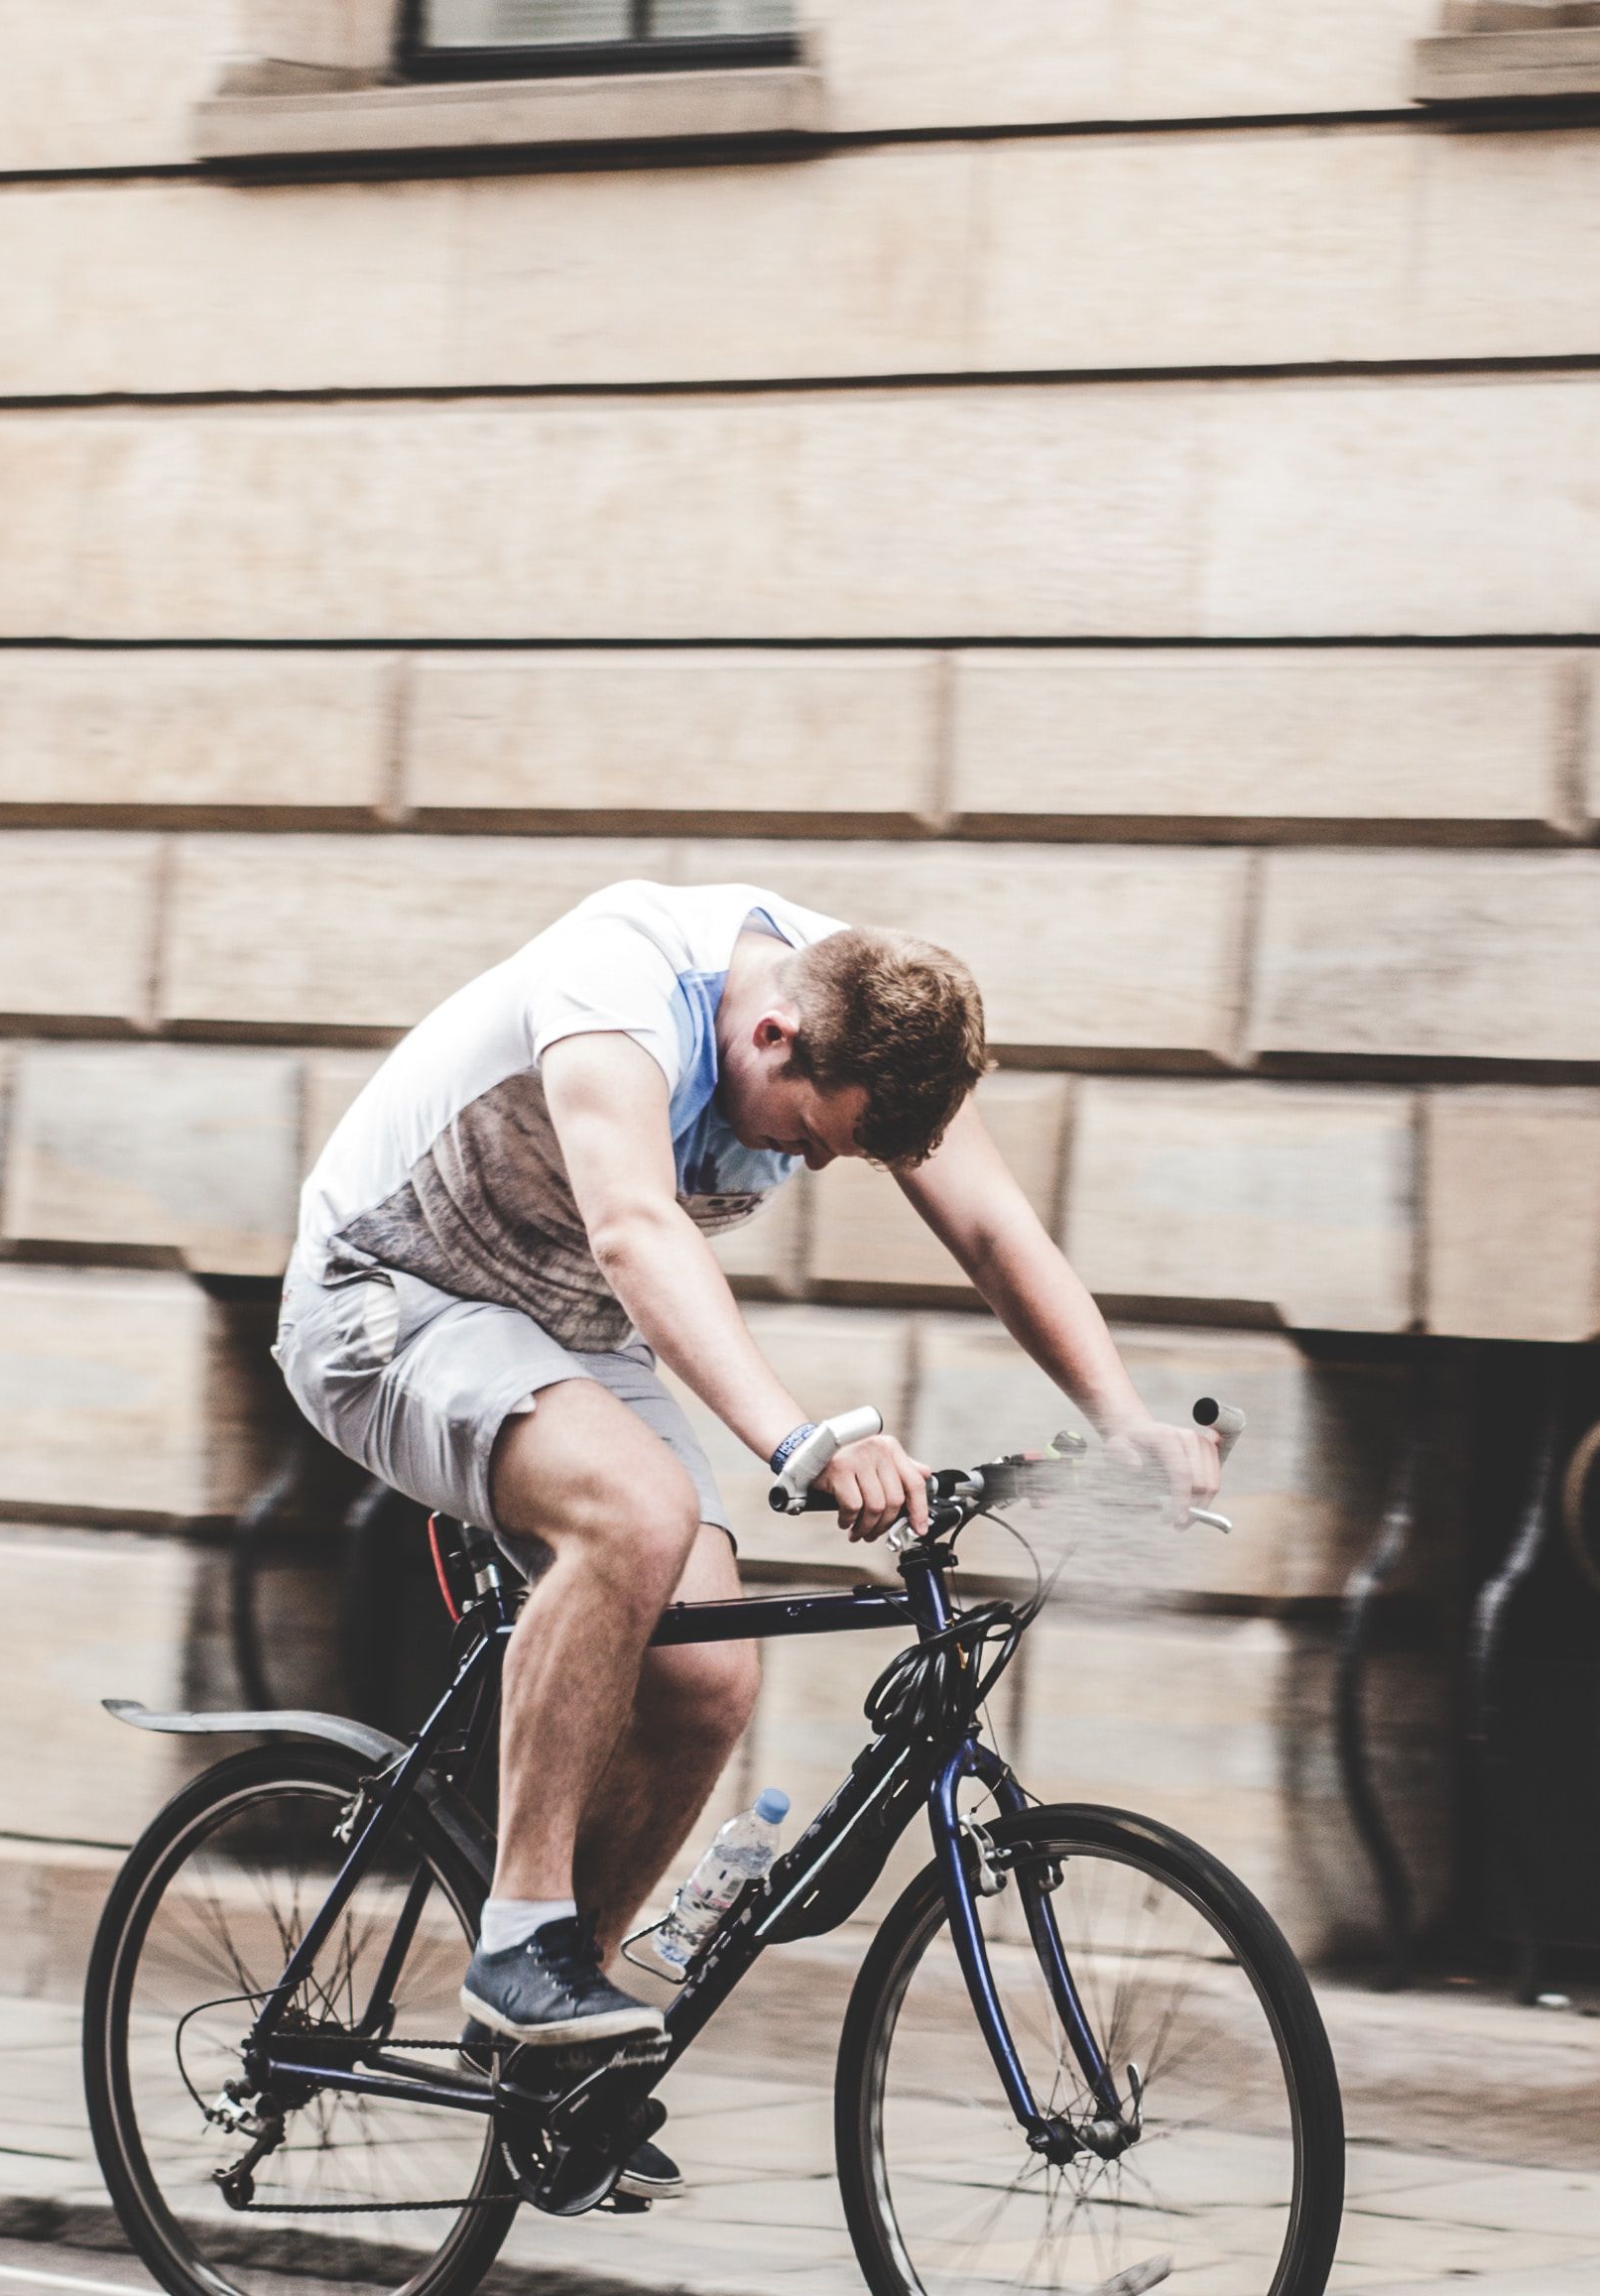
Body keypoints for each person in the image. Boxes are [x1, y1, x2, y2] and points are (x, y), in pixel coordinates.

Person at [275, 880, 1224, 2100]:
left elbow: (994, 1234)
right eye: (812, 1133)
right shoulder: (619, 979)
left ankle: (547, 2042)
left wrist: (1122, 1419)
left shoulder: (880, 1012)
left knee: (709, 1677)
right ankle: (516, 1934)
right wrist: (802, 1442)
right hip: (391, 1297)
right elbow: (632, 1227)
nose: (811, 1161)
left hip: (565, 1330)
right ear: (772, 1033)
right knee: (638, 1510)